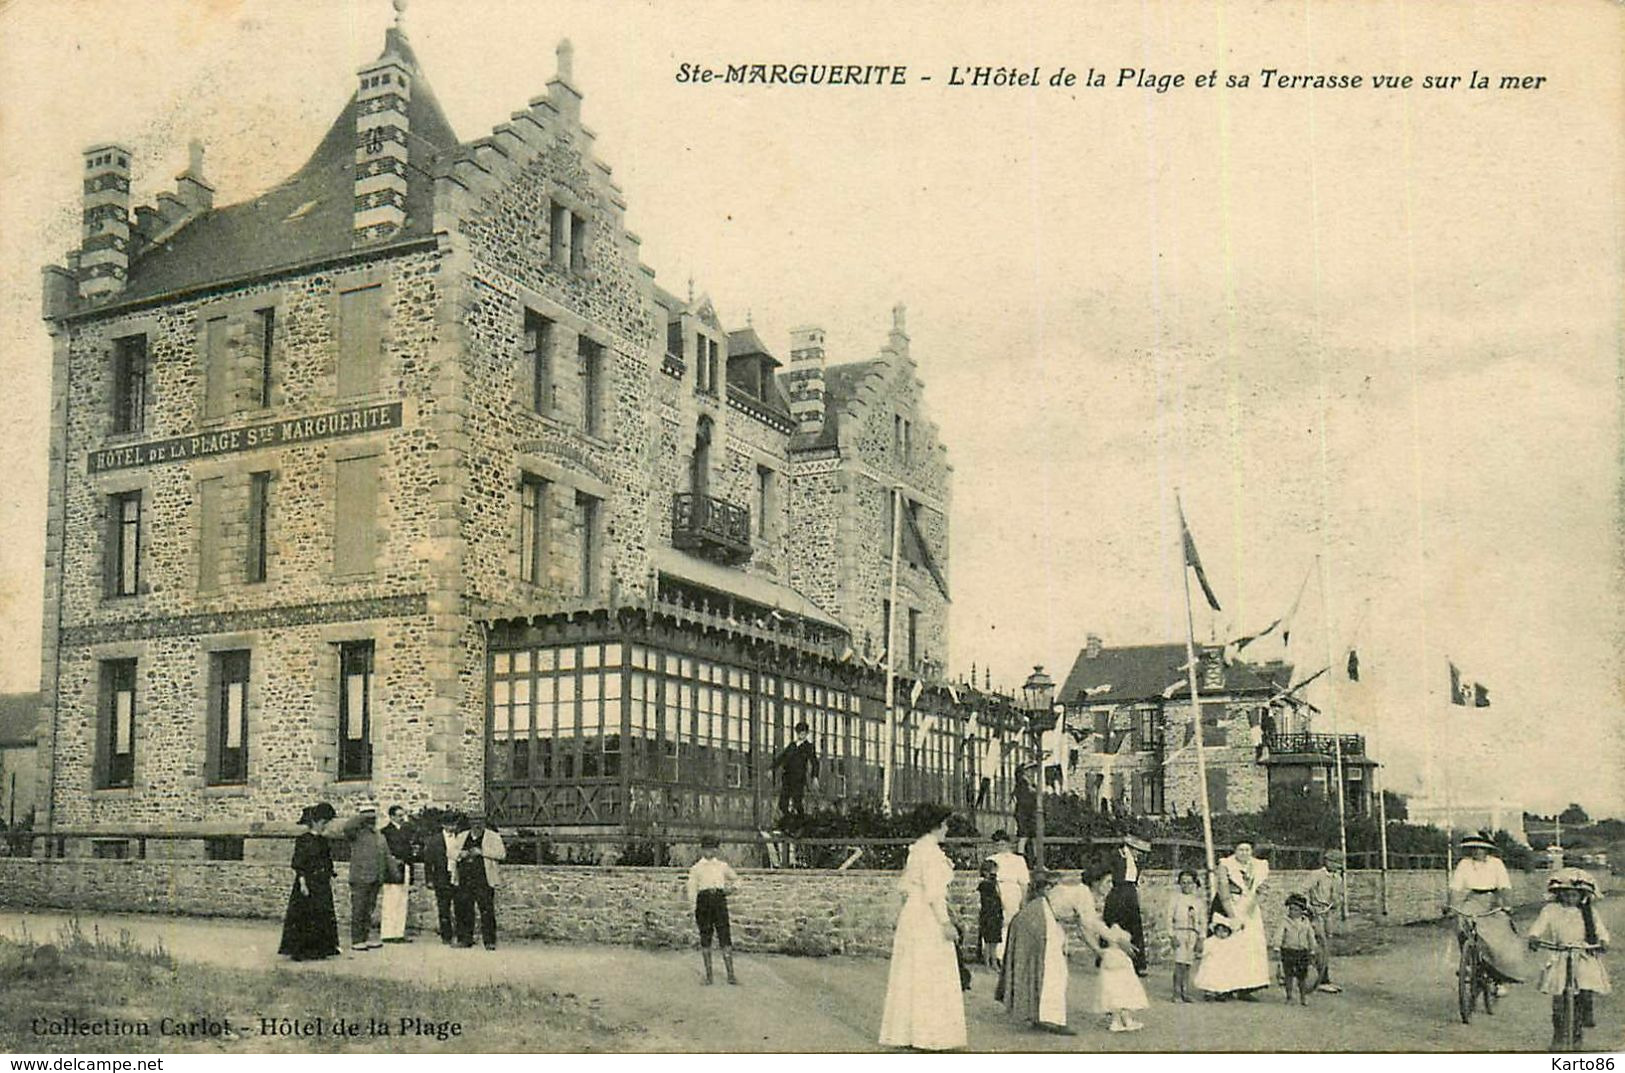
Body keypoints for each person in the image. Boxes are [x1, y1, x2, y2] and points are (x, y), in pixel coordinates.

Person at [878, 805, 966, 1051]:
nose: (947, 829)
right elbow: (935, 893)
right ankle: (930, 1034)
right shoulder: (931, 853)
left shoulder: (917, 850)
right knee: (930, 972)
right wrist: (945, 922)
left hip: (913, 915)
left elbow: (906, 887)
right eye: (945, 825)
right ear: (936, 825)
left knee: (912, 972)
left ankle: (909, 1031)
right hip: (927, 917)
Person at [1526, 868, 1610, 1050]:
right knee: (1559, 1001)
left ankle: (1578, 1034)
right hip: (1561, 955)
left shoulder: (1589, 912)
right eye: (1565, 894)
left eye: (1574, 895)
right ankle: (1558, 1037)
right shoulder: (1551, 909)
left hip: (1583, 953)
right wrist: (1534, 937)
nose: (1569, 898)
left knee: (1585, 989)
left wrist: (1603, 941)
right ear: (1559, 894)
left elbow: (1601, 930)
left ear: (1582, 896)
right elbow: (1538, 926)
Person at [995, 869, 1073, 1033]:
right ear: (1047, 889)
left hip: (1043, 946)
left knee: (1046, 978)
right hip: (1046, 949)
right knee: (1054, 978)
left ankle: (1038, 1015)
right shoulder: (1038, 910)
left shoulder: (1037, 907)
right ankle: (1054, 1020)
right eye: (1056, 886)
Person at [1448, 830, 1526, 990]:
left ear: (1487, 849)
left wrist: (1507, 905)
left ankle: (1498, 977)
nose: (1477, 851)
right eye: (1474, 848)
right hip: (1472, 898)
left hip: (1492, 898)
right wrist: (1452, 906)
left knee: (1500, 928)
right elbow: (1456, 888)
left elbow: (1504, 886)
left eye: (1480, 848)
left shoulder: (1496, 863)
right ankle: (1468, 961)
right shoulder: (1464, 864)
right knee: (1462, 921)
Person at [1195, 839, 1271, 998]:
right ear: (1234, 850)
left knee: (1249, 947)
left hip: (1250, 909)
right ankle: (1222, 987)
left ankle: (1246, 987)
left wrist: (1250, 909)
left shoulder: (1259, 865)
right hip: (1228, 906)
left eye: (1247, 850)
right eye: (1240, 850)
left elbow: (1261, 890)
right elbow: (1223, 891)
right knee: (1226, 948)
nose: (1244, 853)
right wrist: (1233, 917)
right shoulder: (1225, 864)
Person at [278, 803, 339, 961]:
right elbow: (299, 863)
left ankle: (320, 948)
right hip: (308, 882)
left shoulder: (323, 841)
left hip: (322, 883)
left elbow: (326, 860)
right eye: (325, 823)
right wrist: (303, 883)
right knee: (305, 915)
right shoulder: (303, 840)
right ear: (318, 822)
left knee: (321, 915)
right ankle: (301, 950)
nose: (326, 826)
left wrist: (329, 874)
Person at [332, 799, 388, 953]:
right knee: (359, 909)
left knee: (369, 909)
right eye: (368, 817)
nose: (372, 819)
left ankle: (366, 937)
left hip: (376, 877)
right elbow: (347, 827)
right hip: (360, 877)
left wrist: (390, 874)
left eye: (373, 817)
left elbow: (385, 854)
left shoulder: (378, 834)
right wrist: (362, 815)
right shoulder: (355, 834)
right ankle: (357, 939)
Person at [686, 834, 741, 985]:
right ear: (702, 849)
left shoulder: (722, 866)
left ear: (716, 850)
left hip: (719, 901)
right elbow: (691, 889)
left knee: (724, 934)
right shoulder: (696, 868)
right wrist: (693, 908)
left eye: (712, 849)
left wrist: (731, 890)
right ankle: (709, 976)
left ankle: (731, 975)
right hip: (703, 902)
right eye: (706, 848)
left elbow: (737, 880)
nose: (709, 852)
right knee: (706, 936)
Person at [451, 812, 506, 949]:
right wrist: (460, 854)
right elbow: (450, 852)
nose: (477, 823)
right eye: (474, 820)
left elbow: (502, 854)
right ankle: (465, 939)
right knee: (464, 910)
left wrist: (482, 852)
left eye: (480, 820)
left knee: (486, 910)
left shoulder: (493, 836)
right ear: (469, 822)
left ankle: (489, 941)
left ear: (484, 822)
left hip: (483, 879)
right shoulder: (462, 836)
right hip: (464, 878)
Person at [1105, 833, 1151, 975]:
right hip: (1118, 890)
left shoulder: (1138, 860)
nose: (1139, 852)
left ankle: (1138, 963)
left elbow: (1136, 877)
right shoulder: (1116, 854)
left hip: (1131, 890)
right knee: (1113, 923)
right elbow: (1104, 870)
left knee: (1134, 926)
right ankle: (1107, 959)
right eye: (1137, 849)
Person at [1301, 848, 1344, 993]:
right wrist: (1308, 906)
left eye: (1339, 862)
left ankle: (1322, 978)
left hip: (1328, 915)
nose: (1337, 865)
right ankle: (1322, 980)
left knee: (1326, 947)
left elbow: (1338, 896)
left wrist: (1338, 902)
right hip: (1315, 914)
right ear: (1326, 861)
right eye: (1334, 862)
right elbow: (1301, 892)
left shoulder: (1337, 878)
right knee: (1320, 947)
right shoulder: (1316, 875)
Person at [1094, 922, 1148, 1032]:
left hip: (1111, 956)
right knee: (1123, 987)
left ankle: (1121, 1019)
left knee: (1113, 987)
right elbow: (1118, 939)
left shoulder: (1107, 928)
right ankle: (1119, 1020)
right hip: (1120, 957)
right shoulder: (1117, 928)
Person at [985, 830, 1029, 965]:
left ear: (1009, 844)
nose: (1001, 847)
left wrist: (1024, 900)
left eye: (1003, 844)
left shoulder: (1018, 860)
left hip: (1012, 889)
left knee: (1011, 922)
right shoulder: (991, 859)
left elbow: (1024, 882)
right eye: (998, 844)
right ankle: (996, 956)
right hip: (995, 890)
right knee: (996, 923)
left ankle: (1008, 955)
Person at [419, 811, 462, 944]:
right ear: (443, 825)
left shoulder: (461, 838)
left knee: (460, 907)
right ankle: (446, 936)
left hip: (458, 876)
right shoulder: (434, 840)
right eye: (449, 825)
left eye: (454, 824)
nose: (452, 828)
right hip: (442, 877)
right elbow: (428, 862)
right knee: (444, 908)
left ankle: (461, 936)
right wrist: (429, 880)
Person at [1166, 868, 1208, 1002]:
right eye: (1183, 883)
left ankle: (1185, 991)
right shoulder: (1175, 899)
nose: (1186, 886)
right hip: (1179, 932)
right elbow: (1169, 918)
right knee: (1179, 964)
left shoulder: (1199, 902)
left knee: (1188, 964)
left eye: (1190, 883)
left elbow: (1203, 921)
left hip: (1193, 934)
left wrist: (1201, 938)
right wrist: (1171, 936)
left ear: (1195, 884)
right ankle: (1176, 993)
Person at [379, 804, 415, 944]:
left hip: (405, 868)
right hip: (392, 871)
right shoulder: (385, 832)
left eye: (403, 815)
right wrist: (393, 861)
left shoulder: (405, 831)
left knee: (402, 902)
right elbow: (384, 853)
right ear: (392, 816)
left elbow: (409, 852)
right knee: (390, 902)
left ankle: (399, 933)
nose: (402, 818)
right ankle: (388, 933)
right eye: (399, 815)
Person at [770, 721, 819, 821]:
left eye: (803, 733)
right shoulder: (792, 745)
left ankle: (801, 823)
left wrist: (815, 777)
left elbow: (815, 762)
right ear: (797, 733)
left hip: (798, 779)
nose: (801, 735)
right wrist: (772, 768)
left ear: (807, 733)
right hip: (787, 778)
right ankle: (790, 822)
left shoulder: (808, 747)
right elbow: (781, 757)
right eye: (799, 732)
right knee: (782, 804)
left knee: (797, 803)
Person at [1276, 893, 1316, 1005]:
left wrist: (1312, 949)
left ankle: (1303, 997)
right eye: (1291, 909)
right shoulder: (1285, 921)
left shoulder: (1305, 923)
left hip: (1302, 951)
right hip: (1288, 950)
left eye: (1295, 910)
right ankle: (1289, 997)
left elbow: (1311, 936)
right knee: (1288, 975)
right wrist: (1276, 946)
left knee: (1302, 976)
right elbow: (1279, 934)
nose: (1292, 912)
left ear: (1301, 911)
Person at [977, 859, 1004, 969]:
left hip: (995, 913)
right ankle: (988, 963)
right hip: (988, 914)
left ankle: (993, 962)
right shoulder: (984, 884)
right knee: (988, 941)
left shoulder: (994, 883)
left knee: (994, 941)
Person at [1013, 765, 1038, 858]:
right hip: (1025, 814)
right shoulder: (1023, 784)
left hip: (1028, 814)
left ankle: (1035, 860)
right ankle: (1022, 859)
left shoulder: (1028, 784)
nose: (1032, 772)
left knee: (1032, 837)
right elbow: (1026, 801)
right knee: (1024, 836)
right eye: (1030, 770)